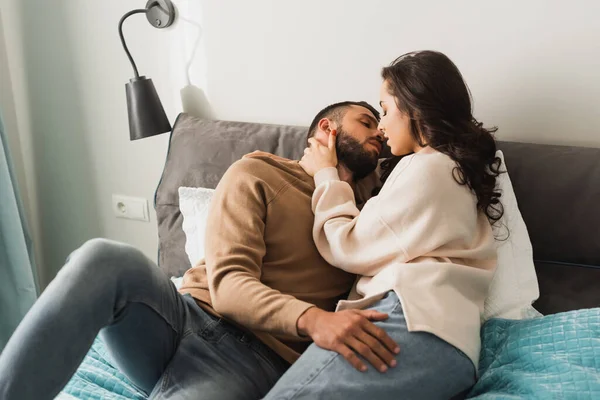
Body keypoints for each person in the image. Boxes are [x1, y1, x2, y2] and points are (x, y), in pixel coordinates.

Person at [0, 101, 399, 400]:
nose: (378, 133)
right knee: (102, 259)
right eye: (366, 122)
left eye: (382, 127)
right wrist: (313, 320)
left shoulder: (369, 216)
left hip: (254, 360)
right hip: (181, 316)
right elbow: (229, 284)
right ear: (327, 130)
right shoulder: (259, 172)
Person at [264, 50, 503, 400]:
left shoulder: (428, 168)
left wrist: (327, 175)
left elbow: (349, 246)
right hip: (450, 345)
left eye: (386, 110)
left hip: (409, 320)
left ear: (415, 110)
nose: (381, 126)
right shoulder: (451, 170)